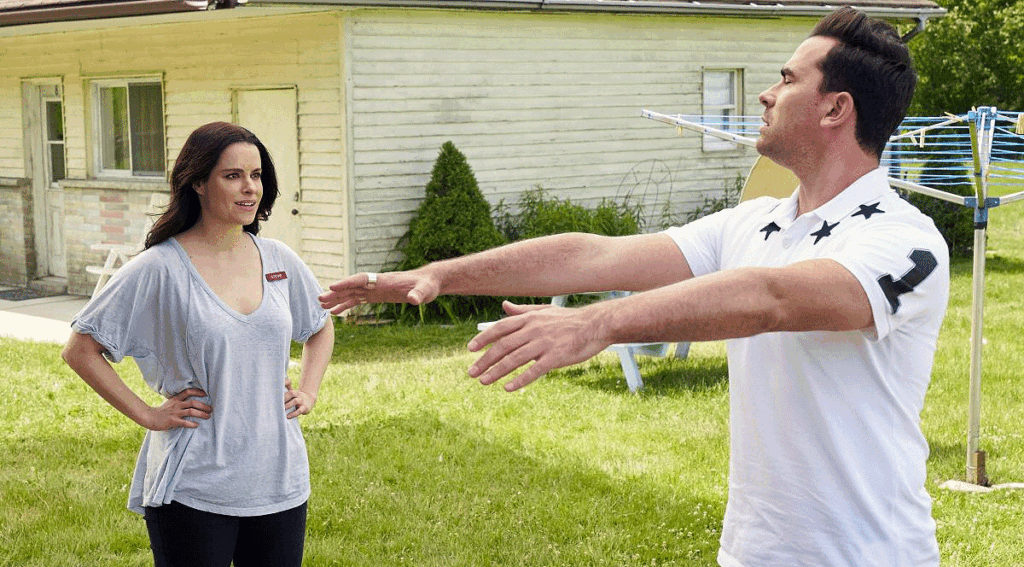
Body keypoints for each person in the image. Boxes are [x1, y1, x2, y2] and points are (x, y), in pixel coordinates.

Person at [319, 7, 949, 567]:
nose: (764, 94)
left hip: (869, 552)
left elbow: (772, 300)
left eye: (786, 80)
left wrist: (596, 325)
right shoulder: (756, 222)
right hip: (756, 549)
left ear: (835, 108)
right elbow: (592, 257)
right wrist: (442, 274)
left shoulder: (903, 241)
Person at [62, 122, 334, 567]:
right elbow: (80, 349)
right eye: (233, 176)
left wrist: (309, 389)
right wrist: (149, 415)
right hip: (196, 484)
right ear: (197, 182)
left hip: (280, 480)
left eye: (257, 175)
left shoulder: (280, 260)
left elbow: (319, 326)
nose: (250, 188)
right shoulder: (159, 268)